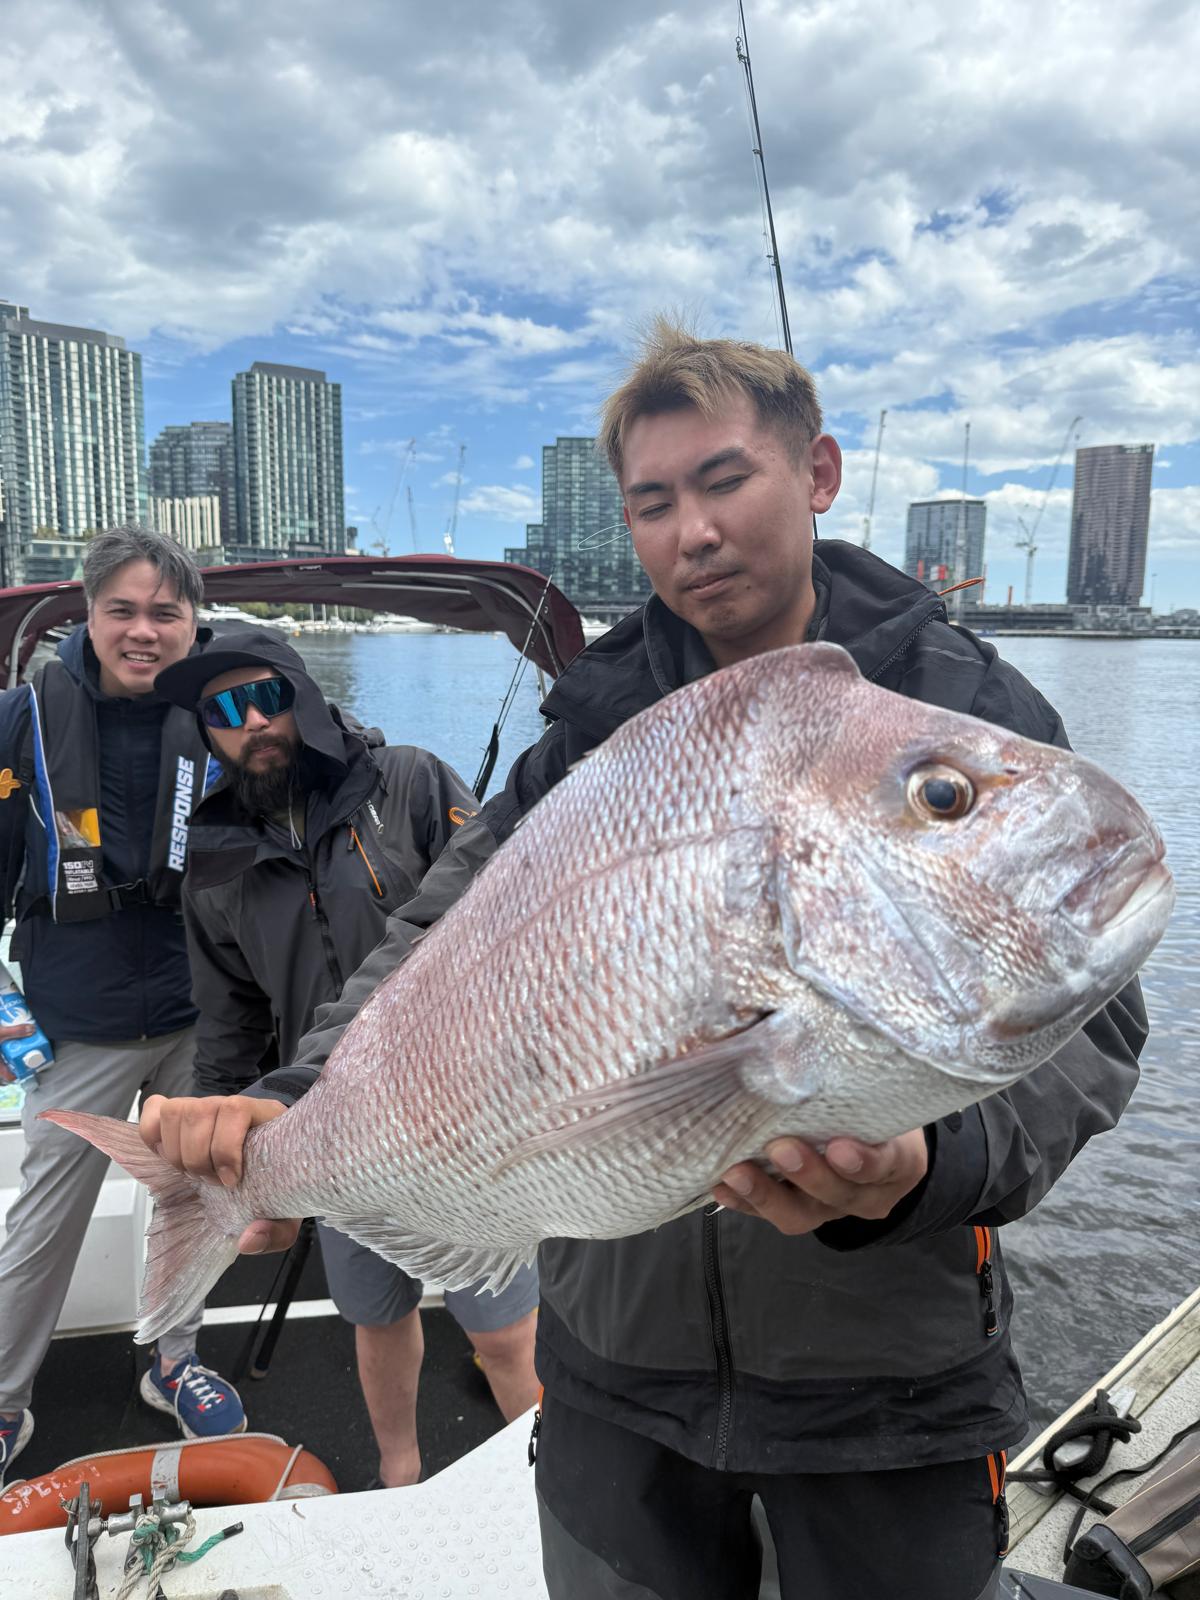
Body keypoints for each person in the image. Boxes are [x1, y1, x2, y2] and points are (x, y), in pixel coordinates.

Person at [141, 323, 1150, 1600]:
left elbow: (1099, 1023)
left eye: (726, 481)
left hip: (883, 1384)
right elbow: (434, 942)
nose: (694, 533)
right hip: (616, 1369)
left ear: (818, 471)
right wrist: (287, 1111)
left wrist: (927, 1167)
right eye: (654, 503)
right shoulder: (585, 741)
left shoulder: (962, 710)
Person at [146, 628, 540, 1488]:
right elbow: (228, 1028)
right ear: (205, 731)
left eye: (267, 696)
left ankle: (558, 1486)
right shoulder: (213, 865)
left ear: (304, 695)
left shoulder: (412, 783)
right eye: (222, 709)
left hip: (464, 1125)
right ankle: (399, 1475)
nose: (250, 721)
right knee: (374, 1312)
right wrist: (223, 1158)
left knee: (506, 1330)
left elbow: (506, 916)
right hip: (329, 1129)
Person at [0, 526, 245, 1485]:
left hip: (201, 1009)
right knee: (42, 1220)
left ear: (193, 625)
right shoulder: (21, 725)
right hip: (75, 1016)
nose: (144, 631)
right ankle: (6, 1401)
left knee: (198, 1196)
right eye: (123, 611)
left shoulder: (226, 718)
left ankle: (176, 1357)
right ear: (88, 616)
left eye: (165, 613)